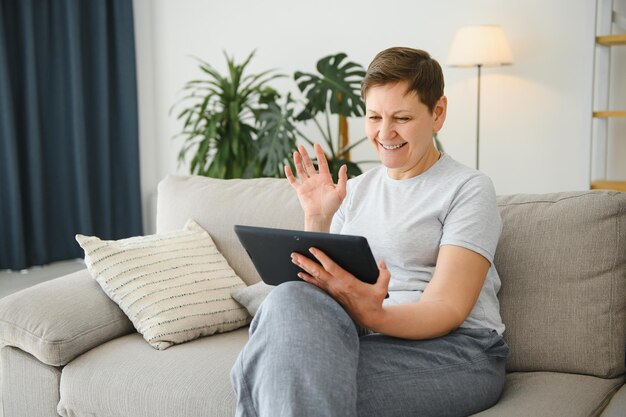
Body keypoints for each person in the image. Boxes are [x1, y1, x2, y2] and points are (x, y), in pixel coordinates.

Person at [230, 47, 509, 417]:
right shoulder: (356, 190)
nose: (384, 132)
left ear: (437, 113)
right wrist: (317, 220)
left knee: (278, 373)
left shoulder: (468, 188)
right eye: (374, 116)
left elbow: (448, 307)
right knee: (288, 300)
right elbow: (319, 294)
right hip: (369, 337)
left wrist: (373, 315)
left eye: (402, 117)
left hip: (458, 349)